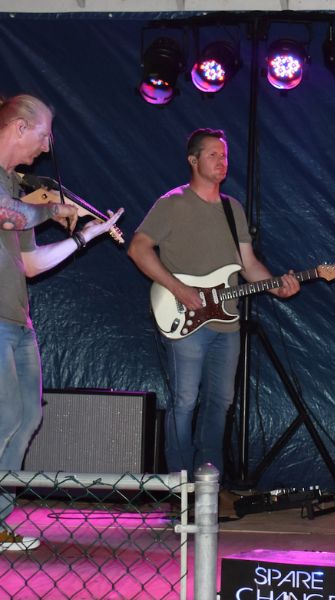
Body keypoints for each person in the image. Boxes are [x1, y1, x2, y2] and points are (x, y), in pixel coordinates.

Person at [128, 128, 300, 482]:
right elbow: (138, 248)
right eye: (213, 155)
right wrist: (178, 288)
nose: (222, 162)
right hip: (185, 319)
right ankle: (180, 486)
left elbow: (249, 265)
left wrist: (277, 287)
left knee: (220, 403)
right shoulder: (171, 204)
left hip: (227, 324)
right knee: (186, 402)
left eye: (224, 156)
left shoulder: (231, 207)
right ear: (193, 160)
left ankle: (208, 484)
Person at [0, 94, 124, 551]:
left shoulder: (18, 189)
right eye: (43, 133)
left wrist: (85, 238)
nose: (47, 145)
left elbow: (30, 263)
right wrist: (54, 209)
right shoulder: (11, 195)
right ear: (18, 127)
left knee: (27, 416)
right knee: (6, 415)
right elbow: (8, 217)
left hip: (17, 320)